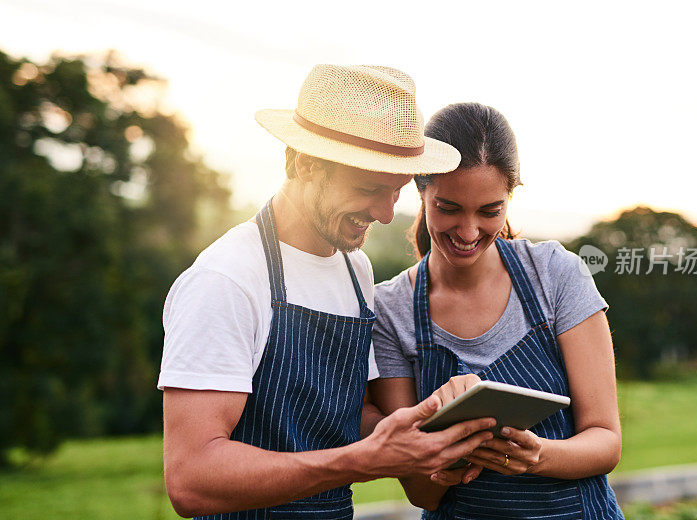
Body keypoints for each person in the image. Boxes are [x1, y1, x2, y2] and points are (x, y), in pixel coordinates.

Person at [158, 66, 498, 520]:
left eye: (396, 193)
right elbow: (191, 479)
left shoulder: (354, 267)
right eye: (369, 189)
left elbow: (343, 412)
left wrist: (427, 436)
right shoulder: (228, 281)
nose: (383, 213)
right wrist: (362, 460)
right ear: (303, 164)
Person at [369, 102, 625, 519]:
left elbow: (605, 441)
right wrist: (441, 434)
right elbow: (421, 492)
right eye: (448, 208)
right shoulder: (390, 310)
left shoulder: (556, 276)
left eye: (489, 211)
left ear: (509, 197)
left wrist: (538, 455)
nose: (468, 232)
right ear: (421, 190)